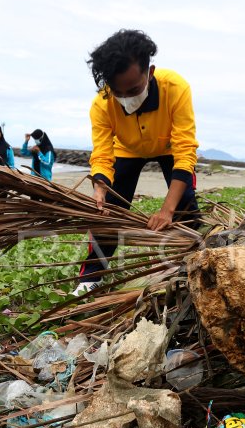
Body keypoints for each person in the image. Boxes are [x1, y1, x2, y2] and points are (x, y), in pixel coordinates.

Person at [73, 29, 199, 296]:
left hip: (168, 148)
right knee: (108, 212)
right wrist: (100, 190)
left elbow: (185, 150)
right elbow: (103, 154)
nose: (126, 98)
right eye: (118, 92)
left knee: (185, 205)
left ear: (150, 72)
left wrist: (167, 209)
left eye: (133, 89)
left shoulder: (175, 88)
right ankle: (91, 275)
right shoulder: (102, 104)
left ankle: (194, 262)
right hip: (127, 150)